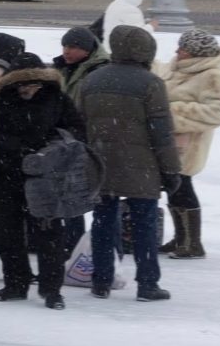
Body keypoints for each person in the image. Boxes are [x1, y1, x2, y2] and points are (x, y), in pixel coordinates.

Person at [77, 25, 180, 302]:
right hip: (141, 165)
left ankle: (101, 280)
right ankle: (147, 283)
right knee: (144, 223)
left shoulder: (93, 80)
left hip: (101, 163)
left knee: (103, 221)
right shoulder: (150, 84)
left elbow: (81, 123)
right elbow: (162, 133)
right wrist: (171, 170)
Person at [0, 56, 82, 308]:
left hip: (46, 179)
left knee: (49, 234)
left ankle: (51, 289)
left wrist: (49, 149)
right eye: (23, 85)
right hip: (4, 176)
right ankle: (16, 283)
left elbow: (77, 134)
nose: (28, 90)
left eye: (34, 84)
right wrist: (17, 149)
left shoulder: (57, 99)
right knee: (7, 233)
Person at [158, 27, 220, 259]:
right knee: (173, 188)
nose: (177, 51)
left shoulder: (212, 75)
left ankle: (192, 243)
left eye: (183, 48)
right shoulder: (176, 67)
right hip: (168, 141)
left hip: (188, 144)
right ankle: (182, 238)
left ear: (195, 53)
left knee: (182, 187)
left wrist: (174, 113)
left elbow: (219, 111)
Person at [55, 26, 102, 99]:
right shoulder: (59, 68)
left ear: (87, 50)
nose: (66, 51)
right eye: (64, 46)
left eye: (72, 47)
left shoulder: (98, 71)